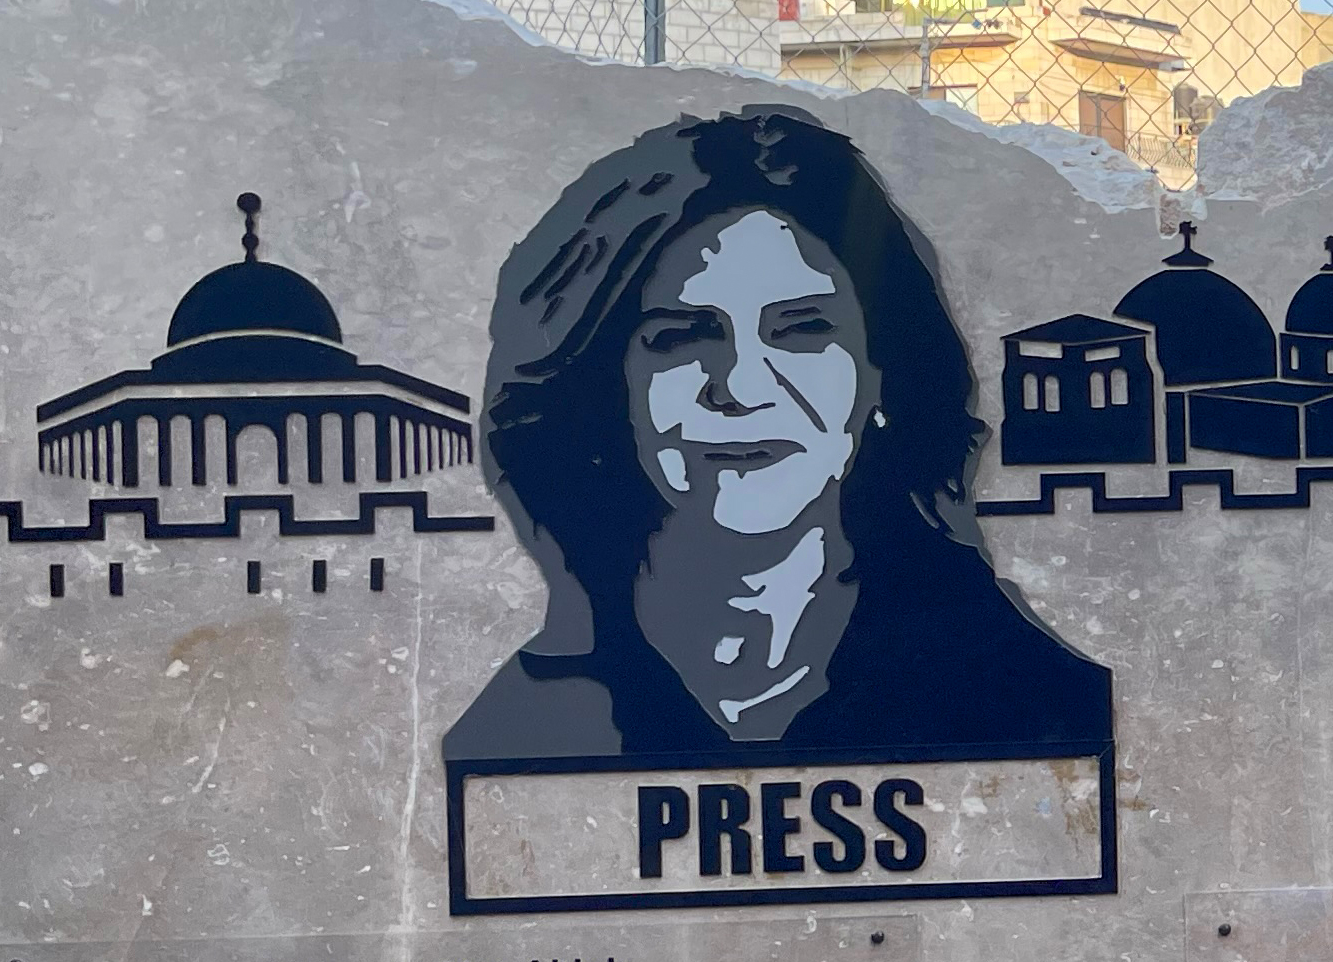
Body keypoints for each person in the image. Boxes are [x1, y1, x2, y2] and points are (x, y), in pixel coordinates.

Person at [449, 108, 1111, 770]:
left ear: (883, 377)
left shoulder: (1026, 700)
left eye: (800, 330)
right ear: (605, 390)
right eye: (681, 336)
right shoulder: (521, 731)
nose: (739, 385)